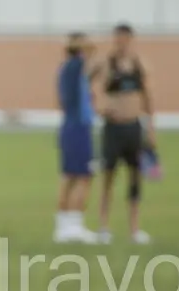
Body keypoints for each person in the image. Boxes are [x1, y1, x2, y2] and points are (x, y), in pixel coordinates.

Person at [91, 23, 156, 244]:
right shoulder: (105, 63)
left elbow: (148, 97)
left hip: (133, 126)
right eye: (117, 38)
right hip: (113, 127)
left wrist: (151, 127)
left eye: (125, 38)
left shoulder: (139, 64)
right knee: (108, 177)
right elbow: (86, 83)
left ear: (131, 39)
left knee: (135, 178)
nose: (121, 42)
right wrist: (97, 108)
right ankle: (103, 226)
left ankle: (134, 229)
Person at [54, 32, 98, 244]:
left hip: (69, 126)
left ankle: (63, 227)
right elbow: (93, 51)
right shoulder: (75, 66)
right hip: (78, 127)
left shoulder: (65, 69)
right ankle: (74, 226)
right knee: (83, 176)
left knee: (69, 176)